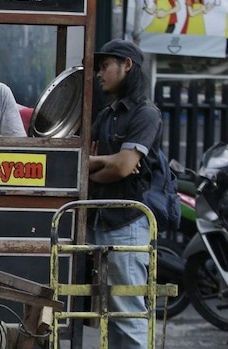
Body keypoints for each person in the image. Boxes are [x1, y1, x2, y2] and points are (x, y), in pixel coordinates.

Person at [88, 39, 161, 349]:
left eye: (105, 66)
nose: (99, 74)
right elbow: (90, 162)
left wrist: (101, 165)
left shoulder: (146, 113)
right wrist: (108, 161)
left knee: (128, 320)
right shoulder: (107, 115)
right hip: (100, 223)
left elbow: (123, 166)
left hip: (128, 227)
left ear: (126, 64)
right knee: (110, 319)